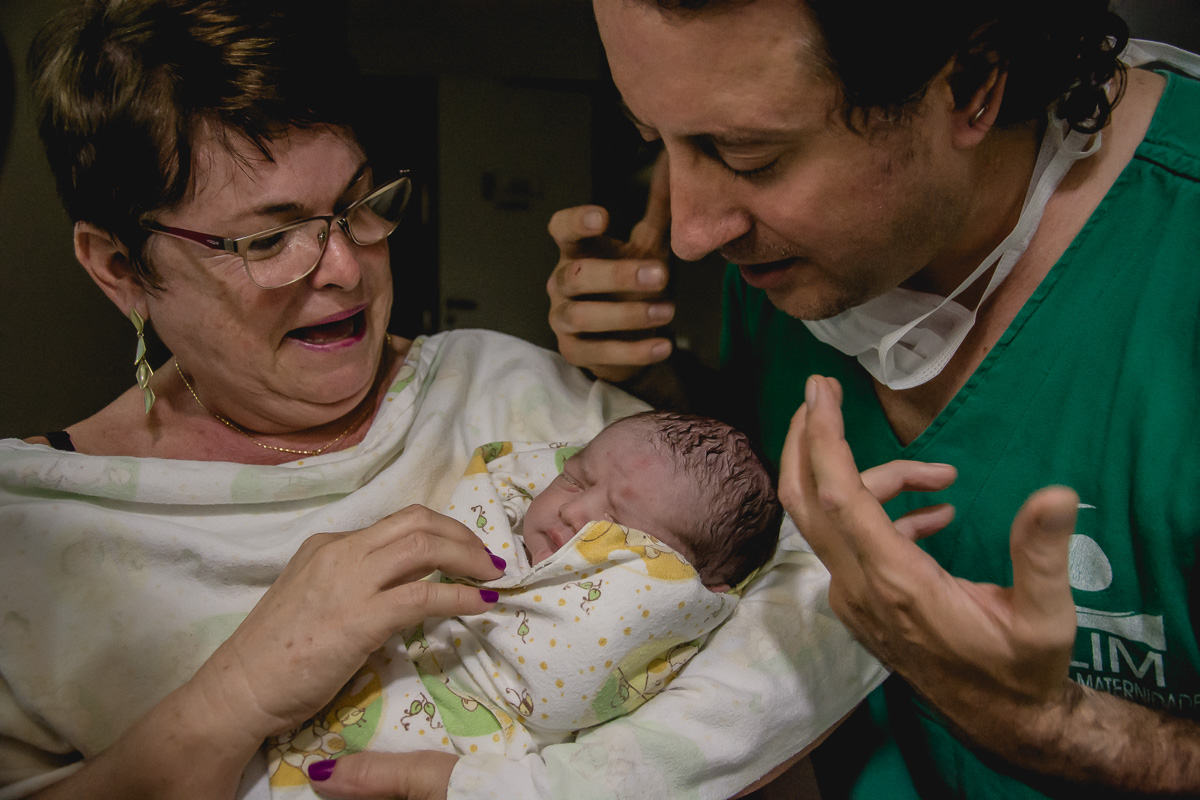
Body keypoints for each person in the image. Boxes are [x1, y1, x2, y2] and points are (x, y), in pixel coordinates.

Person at [0, 1, 943, 799]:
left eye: (359, 205)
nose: (343, 268)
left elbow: (784, 647)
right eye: (269, 239)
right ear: (119, 266)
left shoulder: (513, 394)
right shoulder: (29, 534)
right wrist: (237, 695)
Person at [547, 0, 1200, 796]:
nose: (691, 232)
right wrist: (655, 389)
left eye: (748, 156)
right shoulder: (784, 258)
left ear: (973, 86)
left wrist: (1059, 730)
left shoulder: (1172, 268)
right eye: (655, 139)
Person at [268, 410, 781, 796]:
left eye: (618, 526)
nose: (574, 509)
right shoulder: (491, 528)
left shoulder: (668, 629)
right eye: (575, 478)